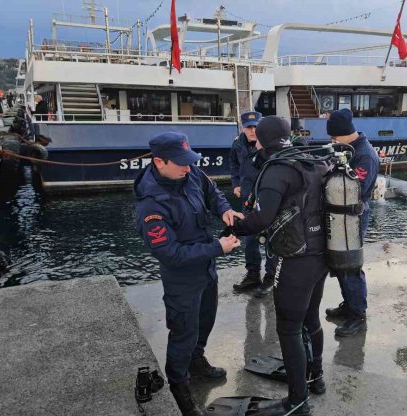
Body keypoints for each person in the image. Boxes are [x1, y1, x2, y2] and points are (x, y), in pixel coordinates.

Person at [134, 131, 243, 416]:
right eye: (181, 162)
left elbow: (213, 193)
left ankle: (197, 361)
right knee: (184, 331)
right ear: (159, 161)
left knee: (205, 319)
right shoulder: (151, 203)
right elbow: (168, 253)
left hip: (206, 266)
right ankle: (179, 385)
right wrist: (217, 248)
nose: (188, 166)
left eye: (189, 160)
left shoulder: (190, 172)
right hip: (182, 278)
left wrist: (225, 211)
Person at [232, 116, 329, 415]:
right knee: (310, 319)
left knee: (288, 327)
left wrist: (233, 230)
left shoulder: (277, 170)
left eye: (256, 137)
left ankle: (297, 400)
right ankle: (316, 378)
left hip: (295, 259)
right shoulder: (312, 161)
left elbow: (261, 219)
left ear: (262, 139)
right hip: (322, 256)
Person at [324, 108, 379, 337]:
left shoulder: (364, 155)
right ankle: (349, 304)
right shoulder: (347, 149)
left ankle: (358, 314)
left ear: (346, 133)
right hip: (341, 215)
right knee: (340, 262)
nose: (332, 141)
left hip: (353, 215)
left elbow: (356, 190)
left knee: (351, 265)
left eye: (335, 137)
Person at [229, 110, 278, 296]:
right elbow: (233, 165)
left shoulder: (269, 145)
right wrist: (235, 184)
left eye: (256, 127)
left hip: (267, 198)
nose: (252, 131)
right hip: (248, 198)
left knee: (270, 239)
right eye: (249, 127)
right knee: (249, 239)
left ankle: (271, 277)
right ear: (243, 127)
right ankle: (252, 275)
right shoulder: (237, 144)